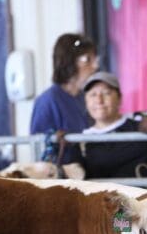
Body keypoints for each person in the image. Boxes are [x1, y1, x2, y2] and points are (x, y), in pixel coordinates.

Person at [80, 70, 147, 179]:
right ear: (86, 101)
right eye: (92, 95)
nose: (99, 100)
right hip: (109, 195)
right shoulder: (82, 141)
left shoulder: (143, 122)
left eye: (106, 93)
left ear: (119, 98)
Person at [30, 33, 97, 165]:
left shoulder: (86, 97)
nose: (95, 66)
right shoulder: (47, 101)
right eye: (87, 60)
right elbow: (39, 150)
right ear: (70, 62)